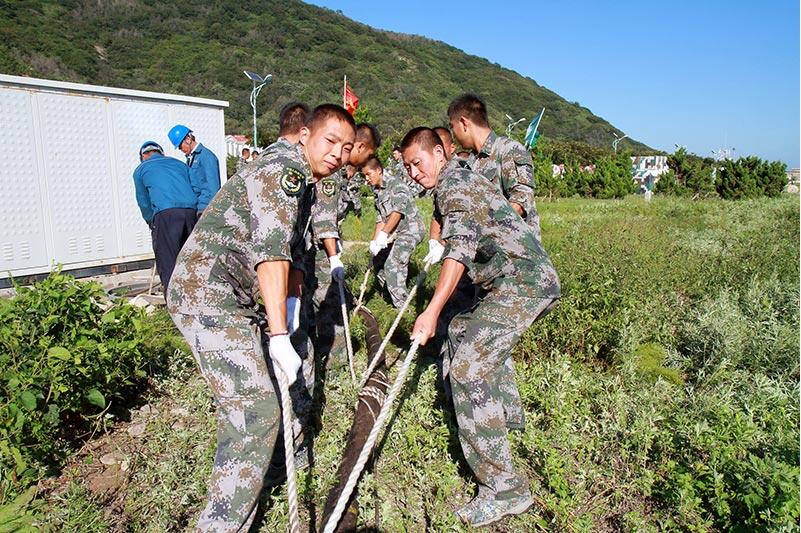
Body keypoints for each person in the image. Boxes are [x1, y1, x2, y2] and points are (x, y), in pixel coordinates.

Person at [166, 105, 356, 532]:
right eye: (330, 142)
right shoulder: (284, 171)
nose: (337, 155)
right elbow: (271, 256)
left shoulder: (307, 181)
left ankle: (264, 472)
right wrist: (277, 334)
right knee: (255, 409)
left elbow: (293, 260)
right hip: (209, 295)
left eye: (346, 149)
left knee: (263, 399)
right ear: (305, 134)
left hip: (234, 298)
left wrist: (288, 317)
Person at [401, 127, 560, 527]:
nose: (414, 173)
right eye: (407, 168)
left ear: (439, 153)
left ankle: (506, 489)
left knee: (470, 370)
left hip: (521, 284)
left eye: (417, 164)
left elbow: (459, 252)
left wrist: (431, 310)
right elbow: (448, 228)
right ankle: (502, 418)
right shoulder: (455, 178)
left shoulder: (455, 184)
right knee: (460, 331)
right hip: (514, 281)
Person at [305, 123, 380, 367]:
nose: (368, 160)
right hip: (317, 249)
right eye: (368, 154)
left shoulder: (338, 170)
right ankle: (334, 363)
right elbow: (324, 219)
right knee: (332, 303)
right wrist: (333, 257)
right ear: (360, 146)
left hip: (318, 245)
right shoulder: (333, 172)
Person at [447, 93, 541, 241]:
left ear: (464, 123)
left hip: (517, 252)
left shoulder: (509, 150)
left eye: (453, 127)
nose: (453, 134)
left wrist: (479, 228)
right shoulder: (469, 163)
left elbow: (521, 201)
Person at [132, 141, 197, 290]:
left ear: (143, 156)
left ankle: (174, 304)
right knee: (191, 258)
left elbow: (143, 202)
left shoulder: (141, 169)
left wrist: (150, 221)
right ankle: (196, 297)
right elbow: (194, 186)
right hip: (191, 212)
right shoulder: (180, 164)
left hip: (166, 214)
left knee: (168, 261)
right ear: (161, 153)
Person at [362, 157, 424, 308]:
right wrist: (375, 241)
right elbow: (380, 220)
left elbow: (398, 211)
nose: (366, 179)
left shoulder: (396, 185)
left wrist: (384, 235)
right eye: (364, 176)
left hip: (410, 230)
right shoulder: (378, 192)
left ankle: (403, 308)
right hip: (394, 232)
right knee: (379, 261)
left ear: (378, 171)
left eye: (368, 174)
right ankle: (390, 297)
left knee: (393, 265)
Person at [168, 124, 222, 217]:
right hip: (197, 206)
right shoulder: (191, 158)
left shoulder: (206, 156)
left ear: (188, 139)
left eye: (181, 146)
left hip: (206, 207)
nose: (181, 150)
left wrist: (213, 210)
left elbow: (214, 186)